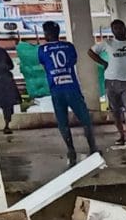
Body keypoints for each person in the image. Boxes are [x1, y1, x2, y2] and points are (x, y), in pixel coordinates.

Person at [37, 20, 98, 165]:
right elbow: (73, 61)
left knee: (62, 122)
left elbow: (45, 66)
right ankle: (93, 147)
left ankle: (71, 150)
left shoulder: (42, 50)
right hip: (72, 87)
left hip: (56, 89)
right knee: (85, 120)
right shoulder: (68, 46)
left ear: (46, 33)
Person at [87, 19, 126, 147]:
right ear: (112, 30)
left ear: (125, 28)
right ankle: (121, 135)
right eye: (116, 28)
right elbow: (91, 52)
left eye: (121, 27)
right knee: (115, 111)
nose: (119, 30)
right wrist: (104, 63)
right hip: (111, 81)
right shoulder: (108, 43)